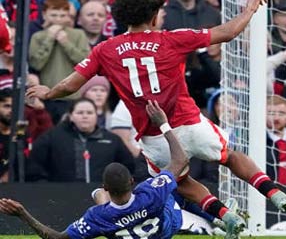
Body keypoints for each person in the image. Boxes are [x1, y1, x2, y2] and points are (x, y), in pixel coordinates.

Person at [27, 0, 286, 238]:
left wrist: (48, 92)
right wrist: (250, 9)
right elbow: (227, 32)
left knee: (180, 180)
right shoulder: (171, 39)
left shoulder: (104, 49)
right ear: (153, 16)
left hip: (154, 135)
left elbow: (70, 84)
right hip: (189, 122)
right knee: (231, 157)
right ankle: (274, 194)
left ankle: (225, 215)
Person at [0, 101, 187, 239]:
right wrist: (163, 124)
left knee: (107, 211)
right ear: (131, 181)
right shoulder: (151, 193)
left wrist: (22, 214)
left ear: (106, 187)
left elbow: (56, 238)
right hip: (169, 226)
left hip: (115, 218)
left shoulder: (96, 217)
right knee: (171, 181)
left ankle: (102, 198)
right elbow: (180, 160)